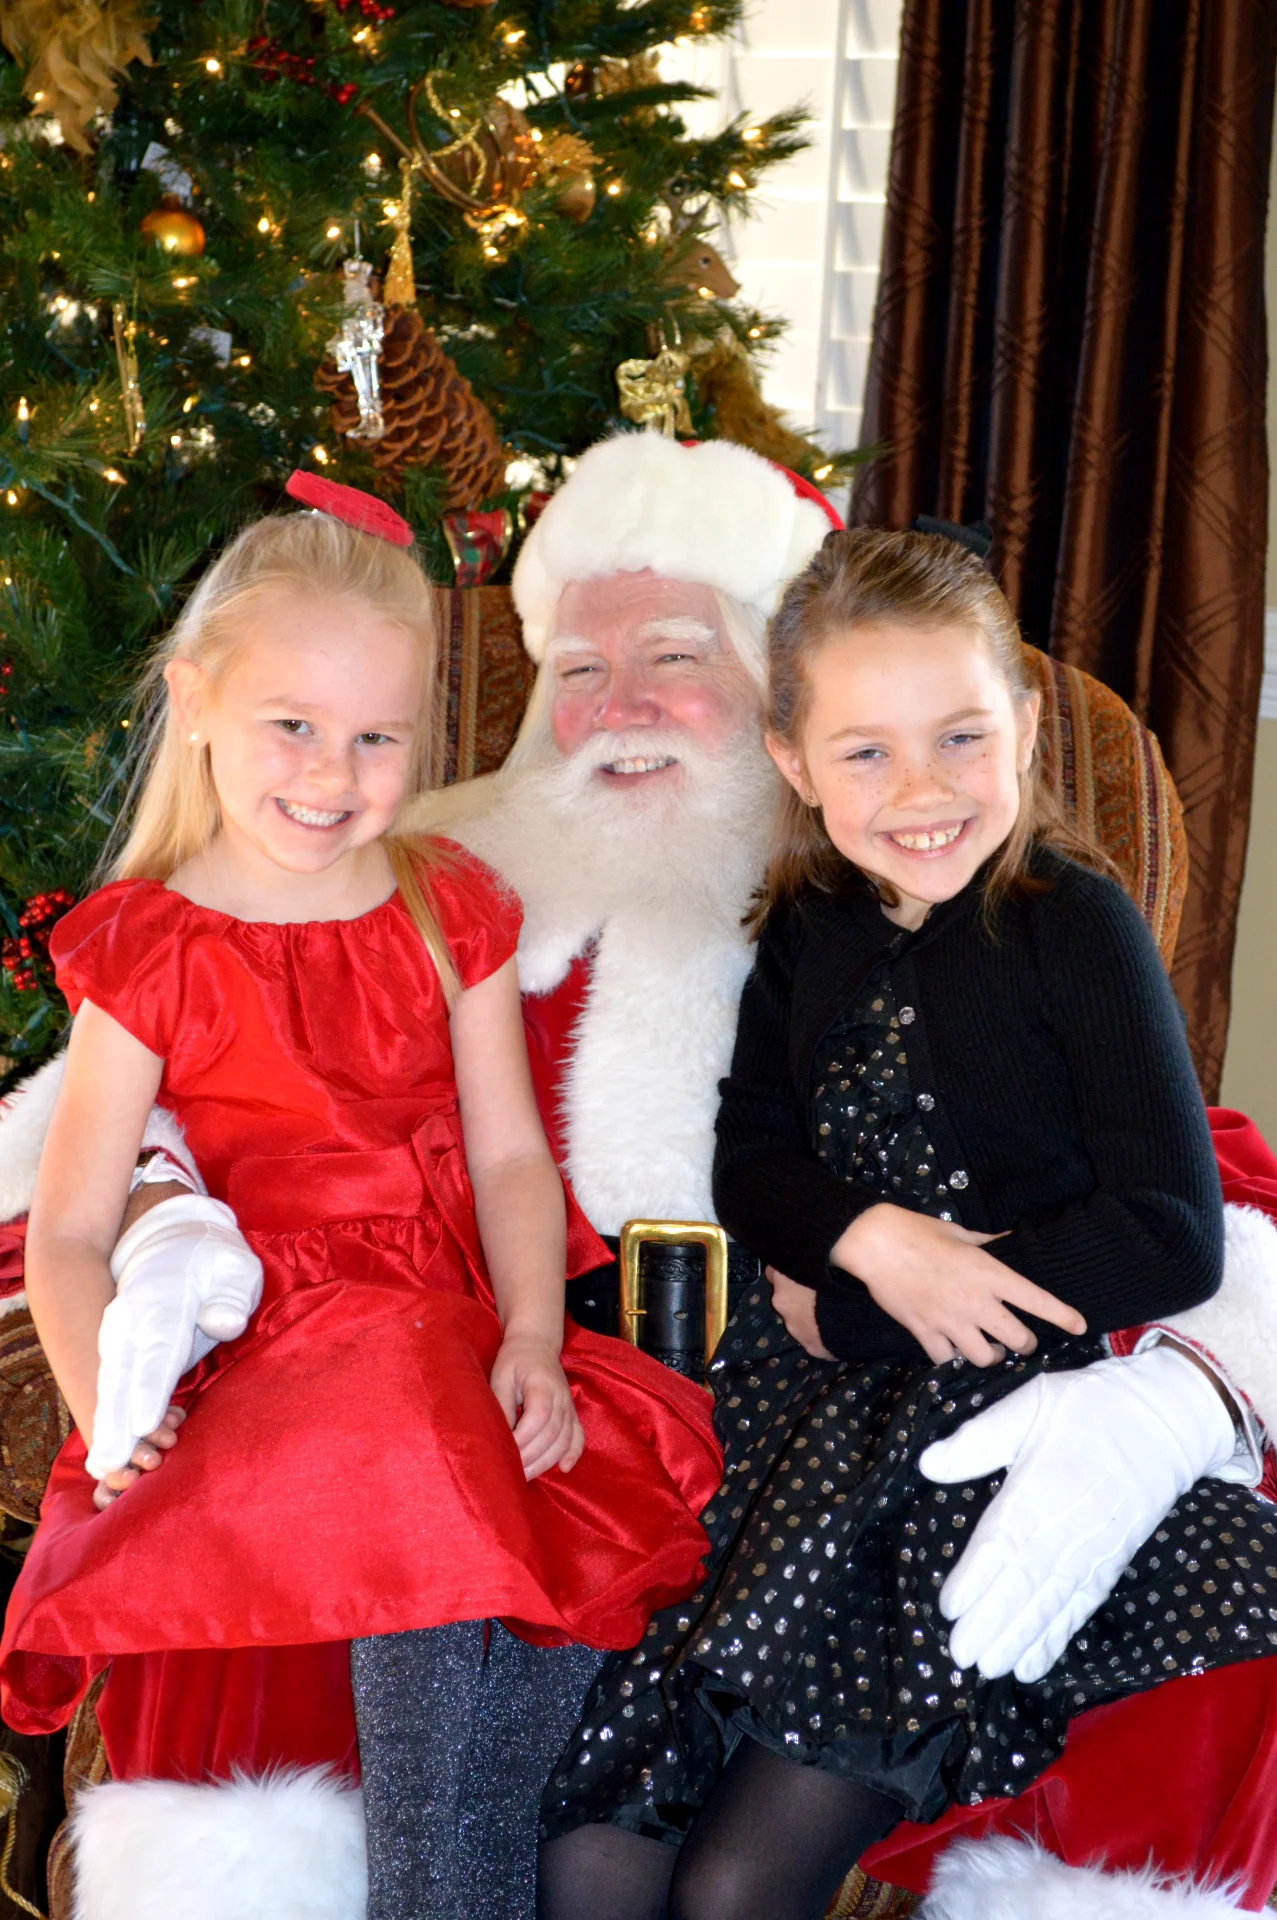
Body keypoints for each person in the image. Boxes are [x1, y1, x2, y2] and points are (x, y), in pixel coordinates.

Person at [1, 433, 1275, 1918]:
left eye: (674, 656)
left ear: (774, 711)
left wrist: (1184, 1394)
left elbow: (1195, 1191)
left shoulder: (960, 910)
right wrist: (165, 1216)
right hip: (574, 1396)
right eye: (579, 671)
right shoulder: (431, 897)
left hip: (810, 1408)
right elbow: (116, 1139)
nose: (620, 707)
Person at [0, 473, 718, 1920]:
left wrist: (534, 1333)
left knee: (570, 1520)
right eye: (295, 727)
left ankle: (454, 1849)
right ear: (196, 703)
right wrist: (107, 1412)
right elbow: (69, 1230)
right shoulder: (151, 948)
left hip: (437, 1331)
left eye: (377, 739)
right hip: (252, 1341)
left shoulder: (443, 907)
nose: (332, 775)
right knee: (384, 1426)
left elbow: (510, 1158)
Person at [535, 525, 1277, 1920]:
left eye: (960, 739)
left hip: (973, 1442)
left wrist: (866, 1306)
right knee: (593, 1852)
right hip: (791, 1432)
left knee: (733, 1886)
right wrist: (872, 1237)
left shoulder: (1076, 925)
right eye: (866, 752)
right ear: (794, 761)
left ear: (1026, 725)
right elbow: (753, 1160)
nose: (922, 791)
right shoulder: (808, 919)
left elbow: (1175, 1232)